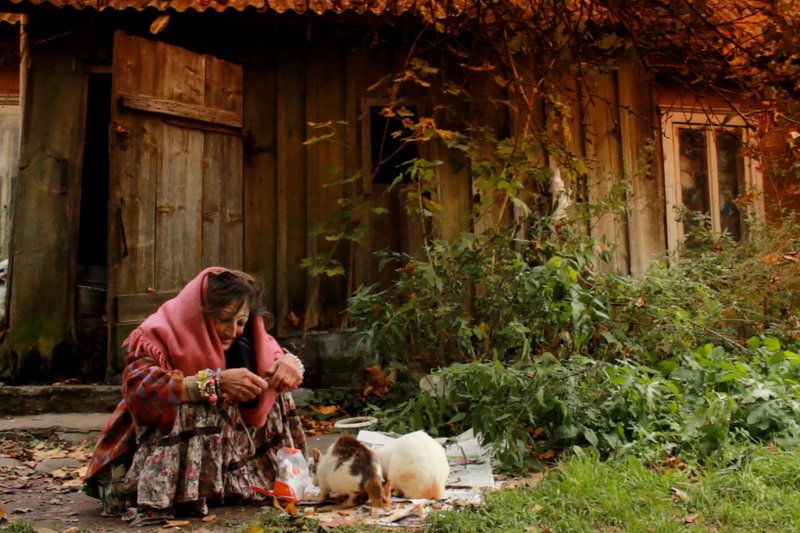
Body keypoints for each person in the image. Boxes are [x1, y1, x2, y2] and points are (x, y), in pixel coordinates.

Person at [83, 267, 306, 525]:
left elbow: (274, 355)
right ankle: (179, 495)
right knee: (200, 398)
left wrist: (290, 364)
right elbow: (140, 391)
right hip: (147, 447)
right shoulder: (155, 335)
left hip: (229, 450)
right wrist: (214, 382)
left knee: (273, 388)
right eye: (223, 319)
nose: (233, 331)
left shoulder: (247, 339)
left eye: (241, 322)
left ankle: (242, 482)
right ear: (199, 314)